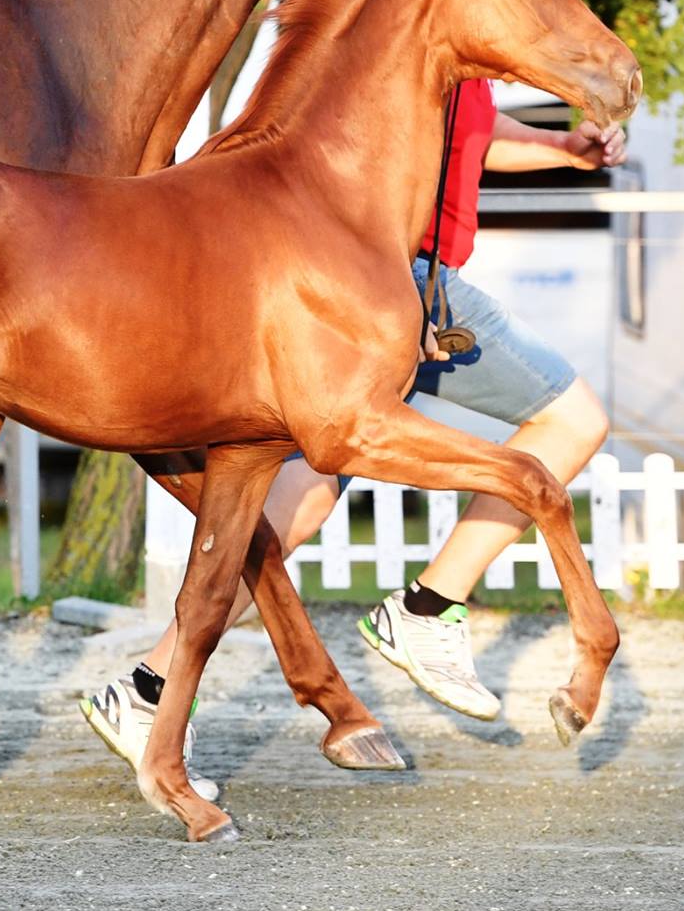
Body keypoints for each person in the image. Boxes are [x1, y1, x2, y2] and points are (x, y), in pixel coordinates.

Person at [81, 78, 627, 797]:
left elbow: (467, 141)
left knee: (298, 503)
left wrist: (561, 147)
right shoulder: (433, 20)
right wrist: (402, 293)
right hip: (400, 281)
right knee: (574, 417)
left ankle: (146, 689)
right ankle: (427, 608)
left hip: (373, 273)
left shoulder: (451, 41)